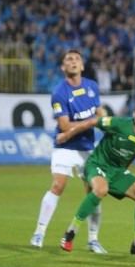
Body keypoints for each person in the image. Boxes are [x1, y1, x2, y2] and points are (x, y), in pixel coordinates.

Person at [60, 100, 135, 256]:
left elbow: (133, 154)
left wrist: (123, 172)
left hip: (117, 171)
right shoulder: (118, 124)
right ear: (134, 114)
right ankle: (70, 233)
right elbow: (92, 122)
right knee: (101, 189)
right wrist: (67, 134)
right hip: (97, 164)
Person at [30, 49, 105, 252]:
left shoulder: (92, 86)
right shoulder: (59, 92)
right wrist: (92, 122)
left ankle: (93, 240)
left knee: (95, 191)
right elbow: (64, 126)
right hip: (65, 147)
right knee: (58, 185)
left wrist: (104, 120)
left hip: (87, 148)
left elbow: (99, 112)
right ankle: (39, 232)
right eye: (68, 60)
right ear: (63, 68)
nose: (73, 62)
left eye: (76, 59)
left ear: (81, 66)